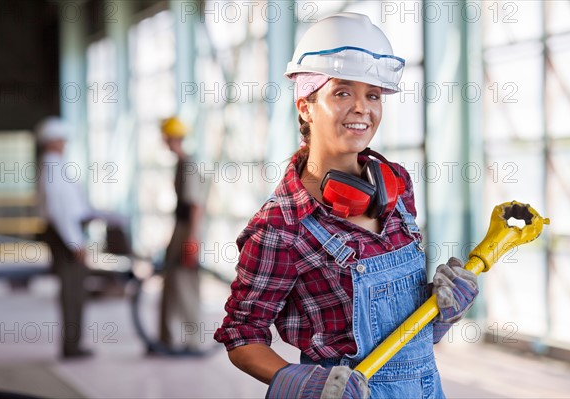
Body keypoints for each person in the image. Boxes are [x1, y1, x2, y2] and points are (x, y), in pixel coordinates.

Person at [214, 13, 479, 398]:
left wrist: (443, 312)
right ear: (305, 105)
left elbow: (404, 329)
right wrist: (293, 380)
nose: (362, 108)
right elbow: (241, 332)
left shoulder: (398, 186)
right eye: (342, 92)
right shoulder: (282, 225)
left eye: (372, 95)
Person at [36, 116, 126, 359]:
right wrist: (75, 242)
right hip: (65, 237)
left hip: (68, 233)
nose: (64, 143)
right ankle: (71, 346)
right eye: (61, 139)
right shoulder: (52, 167)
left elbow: (71, 206)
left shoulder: (55, 166)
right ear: (52, 141)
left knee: (76, 290)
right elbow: (59, 211)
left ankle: (73, 344)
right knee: (72, 291)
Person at [157, 116, 206, 354]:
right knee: (173, 281)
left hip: (188, 230)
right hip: (182, 228)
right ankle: (168, 338)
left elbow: (196, 205)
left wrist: (192, 239)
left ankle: (193, 341)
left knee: (185, 283)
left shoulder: (188, 165)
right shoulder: (182, 164)